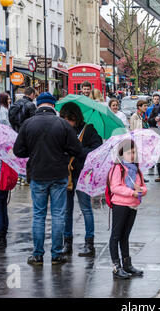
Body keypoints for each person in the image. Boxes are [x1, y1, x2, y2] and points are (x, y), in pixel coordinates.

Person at [13, 92, 83, 266]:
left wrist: (33, 152)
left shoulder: (28, 124)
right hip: (59, 175)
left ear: (39, 105)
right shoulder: (62, 124)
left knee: (38, 215)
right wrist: (64, 153)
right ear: (54, 105)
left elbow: (18, 151)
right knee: (58, 215)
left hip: (37, 174)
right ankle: (56, 254)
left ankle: (37, 255)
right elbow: (77, 149)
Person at [59, 103, 102, 257]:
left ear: (75, 118)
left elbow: (97, 149)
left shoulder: (88, 130)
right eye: (63, 119)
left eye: (68, 119)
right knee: (66, 211)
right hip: (67, 174)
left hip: (83, 174)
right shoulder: (62, 130)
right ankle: (67, 242)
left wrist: (78, 152)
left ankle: (89, 243)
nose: (66, 122)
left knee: (86, 209)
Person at [107, 139, 147, 279]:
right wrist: (132, 192)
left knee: (125, 236)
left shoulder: (136, 170)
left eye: (134, 152)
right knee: (116, 235)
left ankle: (127, 264)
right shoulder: (118, 168)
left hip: (133, 205)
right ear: (122, 154)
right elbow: (115, 187)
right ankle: (116, 267)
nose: (132, 155)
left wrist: (140, 189)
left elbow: (144, 188)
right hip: (120, 205)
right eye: (129, 152)